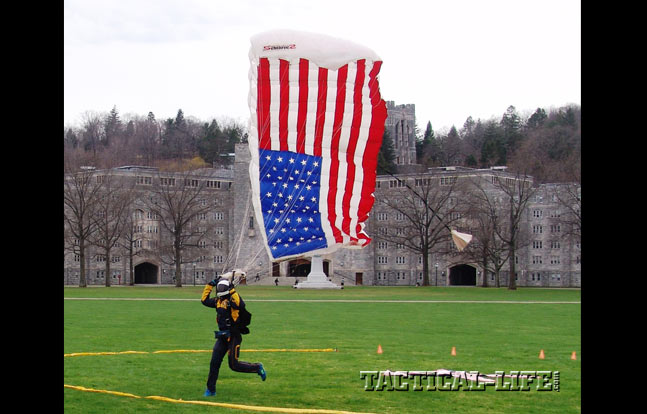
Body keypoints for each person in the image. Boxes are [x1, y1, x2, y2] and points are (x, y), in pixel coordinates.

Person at [200, 275, 266, 397]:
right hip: (222, 336)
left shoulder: (233, 300)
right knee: (214, 362)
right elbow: (204, 300)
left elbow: (241, 304)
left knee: (234, 365)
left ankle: (257, 367)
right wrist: (210, 284)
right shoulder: (217, 302)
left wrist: (232, 289)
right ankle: (211, 389)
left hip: (233, 336)